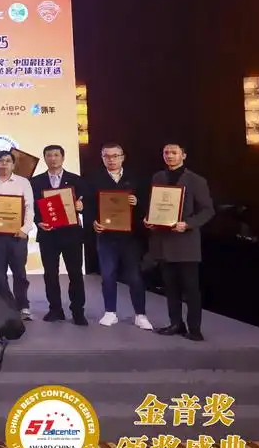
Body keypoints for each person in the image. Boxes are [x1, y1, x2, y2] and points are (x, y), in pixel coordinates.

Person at [150, 143, 214, 342]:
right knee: (170, 288)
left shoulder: (196, 180)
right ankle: (176, 324)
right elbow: (155, 205)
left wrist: (188, 224)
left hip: (186, 243)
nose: (169, 155)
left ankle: (194, 329)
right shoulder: (158, 177)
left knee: (191, 289)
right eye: (166, 152)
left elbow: (208, 210)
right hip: (164, 241)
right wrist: (149, 219)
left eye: (174, 152)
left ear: (183, 155)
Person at [87, 143, 151, 329]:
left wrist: (137, 201)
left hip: (130, 236)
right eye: (107, 156)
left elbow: (149, 204)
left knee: (134, 276)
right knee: (107, 275)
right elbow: (88, 206)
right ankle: (110, 312)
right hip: (106, 236)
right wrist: (93, 222)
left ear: (122, 157)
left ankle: (140, 314)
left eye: (115, 156)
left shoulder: (136, 178)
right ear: (102, 158)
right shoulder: (94, 179)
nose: (111, 160)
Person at [31, 144, 88, 325]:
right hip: (48, 234)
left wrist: (82, 206)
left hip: (71, 234)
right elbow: (31, 207)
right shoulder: (36, 182)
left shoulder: (76, 180)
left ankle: (78, 311)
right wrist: (38, 222)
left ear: (63, 158)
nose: (53, 158)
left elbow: (87, 202)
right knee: (50, 274)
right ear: (45, 158)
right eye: (49, 155)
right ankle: (55, 309)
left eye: (56, 155)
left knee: (75, 273)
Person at [0, 150, 35, 320]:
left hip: (17, 234)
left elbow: (29, 207)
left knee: (19, 272)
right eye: (0, 161)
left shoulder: (23, 182)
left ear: (13, 164)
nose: (4, 163)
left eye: (7, 161)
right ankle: (6, 305)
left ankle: (23, 305)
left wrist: (25, 229)